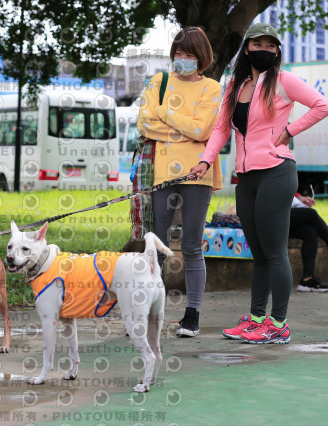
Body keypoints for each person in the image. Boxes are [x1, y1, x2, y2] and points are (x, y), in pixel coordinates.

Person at [190, 23, 328, 344]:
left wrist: (291, 130)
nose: (265, 50)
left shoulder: (283, 81)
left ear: (277, 51)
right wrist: (205, 160)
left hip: (277, 172)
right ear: (248, 48)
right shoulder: (234, 86)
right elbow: (221, 129)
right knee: (259, 253)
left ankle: (278, 323)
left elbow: (323, 105)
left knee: (274, 251)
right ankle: (256, 318)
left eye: (272, 46)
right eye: (259, 44)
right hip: (247, 178)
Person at [135, 26, 222, 338]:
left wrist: (165, 114)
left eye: (188, 55)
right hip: (162, 174)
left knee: (191, 245)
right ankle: (151, 312)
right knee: (156, 243)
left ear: (201, 58)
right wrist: (183, 129)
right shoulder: (159, 82)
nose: (181, 60)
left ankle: (192, 315)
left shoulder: (211, 87)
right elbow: (144, 123)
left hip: (198, 173)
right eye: (178, 54)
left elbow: (203, 131)